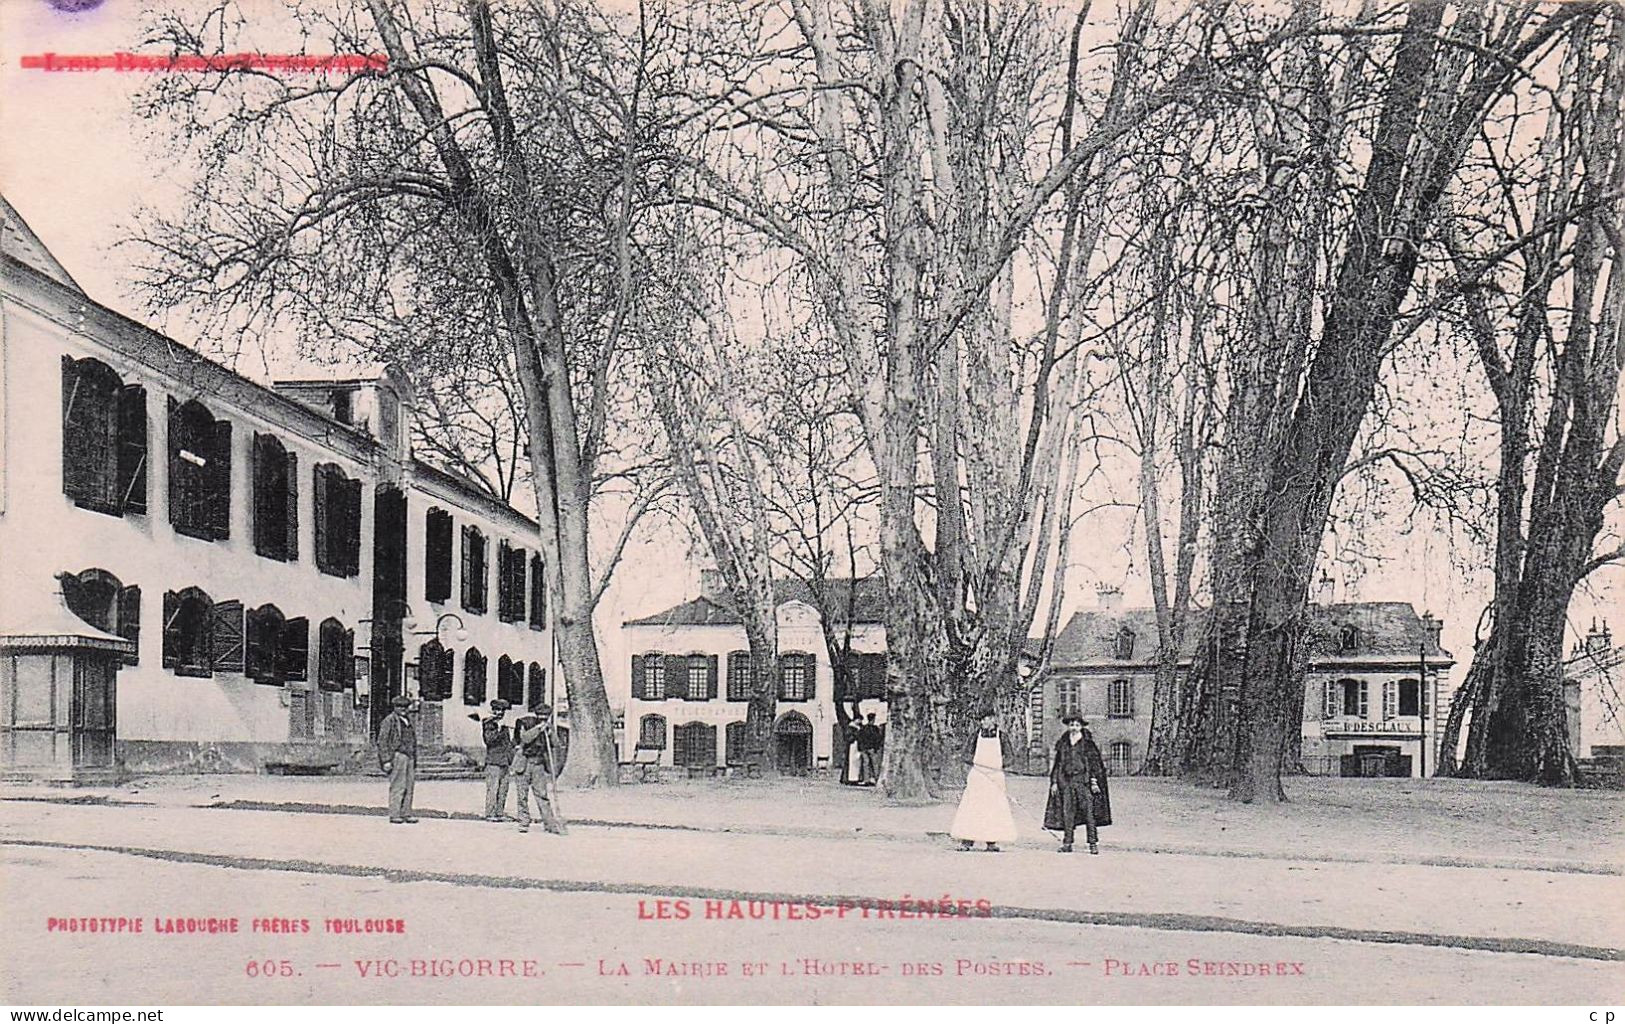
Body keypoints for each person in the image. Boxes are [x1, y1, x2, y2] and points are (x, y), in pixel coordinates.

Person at [949, 708, 1018, 852]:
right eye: (982, 719)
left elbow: (1010, 757)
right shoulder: (975, 736)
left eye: (987, 719)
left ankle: (991, 842)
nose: (984, 722)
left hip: (995, 776)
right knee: (973, 806)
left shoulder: (1002, 737)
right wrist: (977, 762)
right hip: (978, 776)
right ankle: (967, 841)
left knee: (993, 808)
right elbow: (965, 754)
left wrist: (997, 764)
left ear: (993, 719)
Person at [1044, 712, 1112, 854]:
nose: (1074, 728)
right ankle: (1067, 843)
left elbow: (1095, 765)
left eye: (1076, 725)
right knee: (1068, 813)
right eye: (1071, 725)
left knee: (1089, 813)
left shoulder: (1088, 744)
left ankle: (1093, 843)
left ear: (1081, 727)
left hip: (1083, 782)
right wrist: (1055, 782)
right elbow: (1058, 764)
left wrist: (1094, 782)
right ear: (1068, 726)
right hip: (1067, 782)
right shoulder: (1063, 743)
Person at [512, 706, 568, 835]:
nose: (543, 719)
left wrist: (550, 733)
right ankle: (524, 822)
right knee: (522, 796)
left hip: (538, 765)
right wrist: (538, 729)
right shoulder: (526, 723)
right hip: (524, 764)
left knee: (542, 795)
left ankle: (549, 823)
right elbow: (525, 738)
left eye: (546, 716)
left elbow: (556, 744)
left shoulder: (549, 727)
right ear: (536, 715)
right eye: (541, 716)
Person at [376, 695, 419, 825]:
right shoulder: (389, 721)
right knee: (398, 786)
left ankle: (406, 813)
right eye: (400, 707)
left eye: (405, 707)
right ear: (395, 707)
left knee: (409, 786)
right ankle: (395, 814)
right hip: (398, 755)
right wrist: (386, 760)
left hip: (409, 756)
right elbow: (382, 741)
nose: (403, 709)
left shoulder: (408, 721)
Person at [478, 699, 516, 821]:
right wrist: (498, 729)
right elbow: (489, 741)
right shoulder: (488, 724)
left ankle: (499, 813)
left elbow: (507, 744)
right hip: (493, 762)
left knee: (503, 789)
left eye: (502, 710)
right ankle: (490, 814)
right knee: (493, 789)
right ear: (493, 710)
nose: (500, 713)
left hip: (505, 761)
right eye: (498, 710)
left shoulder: (504, 725)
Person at [856, 713, 884, 786]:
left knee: (866, 764)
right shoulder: (875, 729)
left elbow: (859, 738)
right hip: (872, 748)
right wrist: (876, 747)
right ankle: (876, 779)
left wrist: (860, 747)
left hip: (864, 748)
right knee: (875, 764)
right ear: (873, 719)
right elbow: (878, 739)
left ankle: (866, 780)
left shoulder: (864, 728)